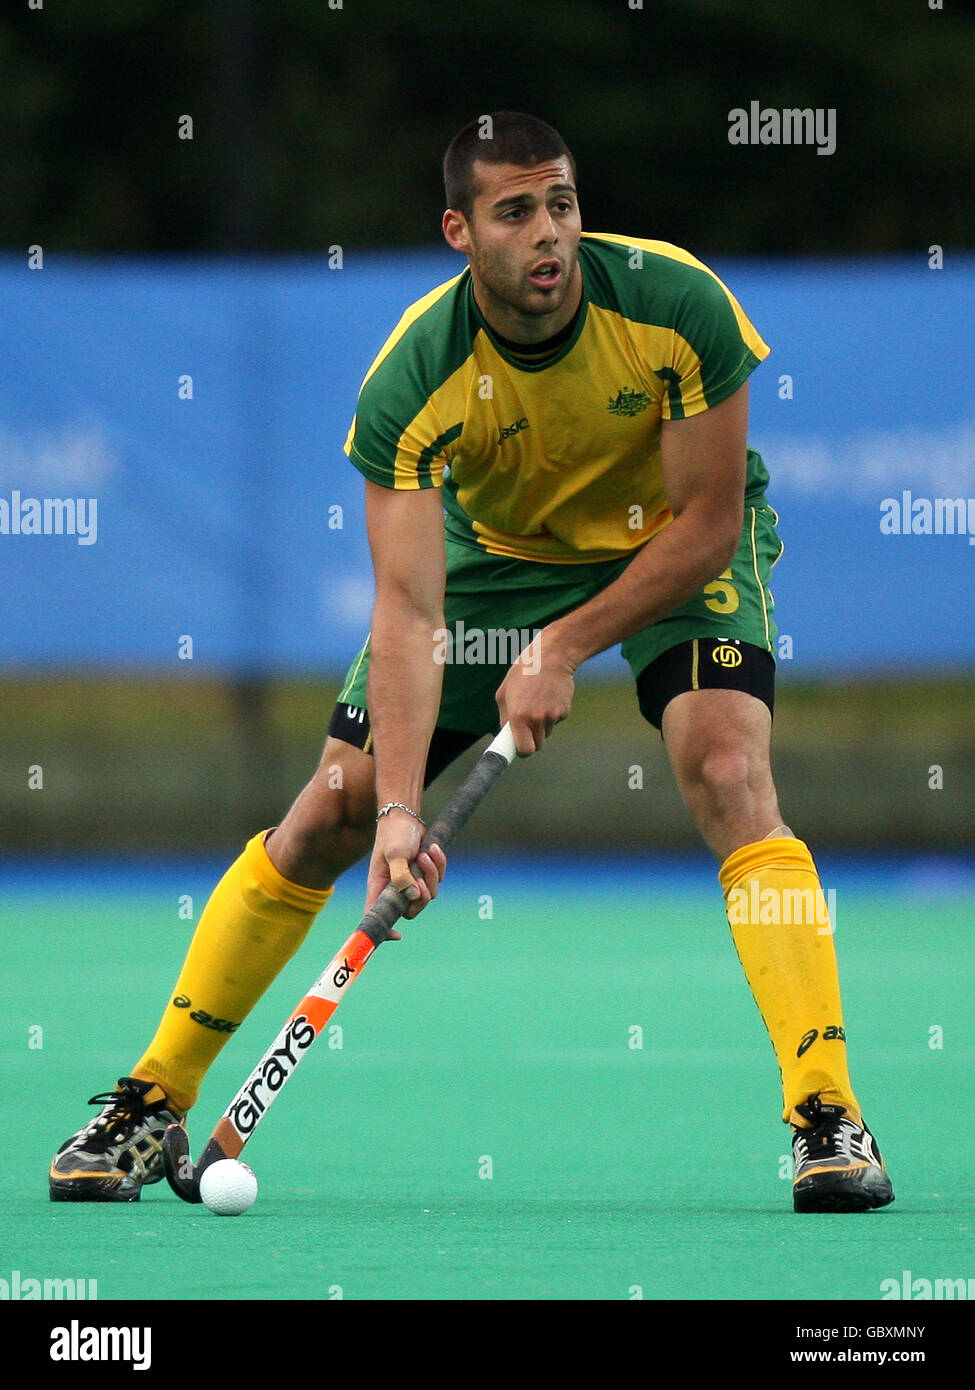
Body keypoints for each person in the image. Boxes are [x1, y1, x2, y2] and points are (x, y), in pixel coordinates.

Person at [50, 112, 892, 1214]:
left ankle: (827, 1115)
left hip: (664, 545)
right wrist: (402, 809)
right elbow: (407, 611)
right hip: (493, 560)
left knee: (728, 767)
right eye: (516, 212)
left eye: (563, 203)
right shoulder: (413, 377)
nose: (551, 233)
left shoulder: (678, 304)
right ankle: (151, 1100)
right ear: (460, 231)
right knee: (333, 807)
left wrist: (563, 646)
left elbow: (709, 525)